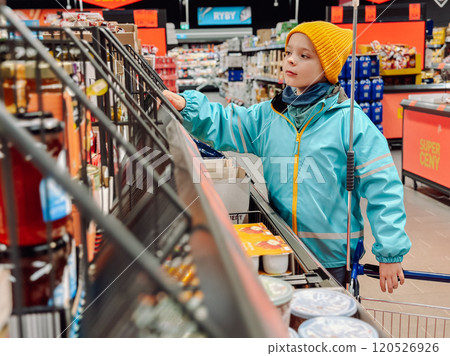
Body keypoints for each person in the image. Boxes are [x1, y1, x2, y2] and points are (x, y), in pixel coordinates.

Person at [163, 21, 411, 293]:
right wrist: (188, 107)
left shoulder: (351, 123)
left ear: (327, 67)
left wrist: (390, 253)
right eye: (289, 52)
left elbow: (383, 187)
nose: (291, 60)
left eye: (304, 56)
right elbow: (229, 122)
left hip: (333, 256)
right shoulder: (271, 115)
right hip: (282, 246)